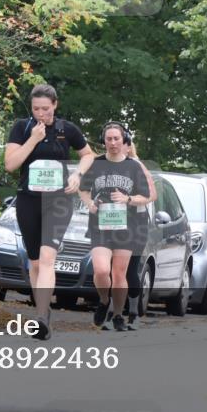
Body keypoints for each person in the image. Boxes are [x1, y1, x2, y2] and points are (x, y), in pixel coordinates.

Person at [4, 84, 95, 340]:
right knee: (34, 261)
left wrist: (77, 174)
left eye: (45, 109)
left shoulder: (67, 130)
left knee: (46, 258)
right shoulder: (22, 128)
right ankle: (42, 311)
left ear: (55, 105)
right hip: (28, 200)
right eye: (36, 109)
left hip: (58, 201)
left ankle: (41, 317)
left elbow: (88, 155)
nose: (41, 114)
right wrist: (32, 138)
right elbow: (10, 165)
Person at [79, 122, 152, 332]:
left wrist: (127, 198)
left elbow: (145, 196)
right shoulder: (95, 164)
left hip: (125, 227)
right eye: (109, 139)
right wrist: (90, 204)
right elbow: (83, 189)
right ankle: (103, 301)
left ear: (124, 140)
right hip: (100, 225)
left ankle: (119, 314)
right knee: (102, 270)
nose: (112, 143)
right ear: (104, 141)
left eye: (116, 139)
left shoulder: (133, 166)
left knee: (119, 275)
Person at [122, 139, 157, 329]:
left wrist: (128, 199)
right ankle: (113, 312)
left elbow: (152, 195)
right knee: (113, 270)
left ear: (128, 146)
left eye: (120, 142)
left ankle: (134, 312)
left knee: (129, 270)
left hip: (136, 223)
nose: (115, 145)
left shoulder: (137, 166)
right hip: (113, 222)